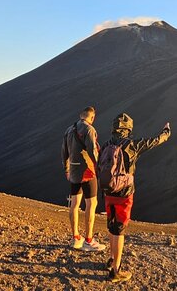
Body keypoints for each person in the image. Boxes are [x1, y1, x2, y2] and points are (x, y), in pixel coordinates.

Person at [101, 112, 171, 283]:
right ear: (128, 129)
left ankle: (111, 260)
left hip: (108, 191)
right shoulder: (132, 145)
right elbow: (155, 141)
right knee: (120, 230)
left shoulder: (105, 145)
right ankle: (116, 271)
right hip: (124, 192)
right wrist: (166, 132)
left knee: (111, 225)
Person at [61, 106, 105, 252]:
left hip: (73, 171)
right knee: (91, 204)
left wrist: (67, 169)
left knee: (74, 204)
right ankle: (89, 240)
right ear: (92, 117)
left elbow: (64, 152)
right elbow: (93, 151)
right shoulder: (89, 130)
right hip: (87, 172)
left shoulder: (69, 130)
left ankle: (75, 238)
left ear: (81, 115)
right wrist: (100, 168)